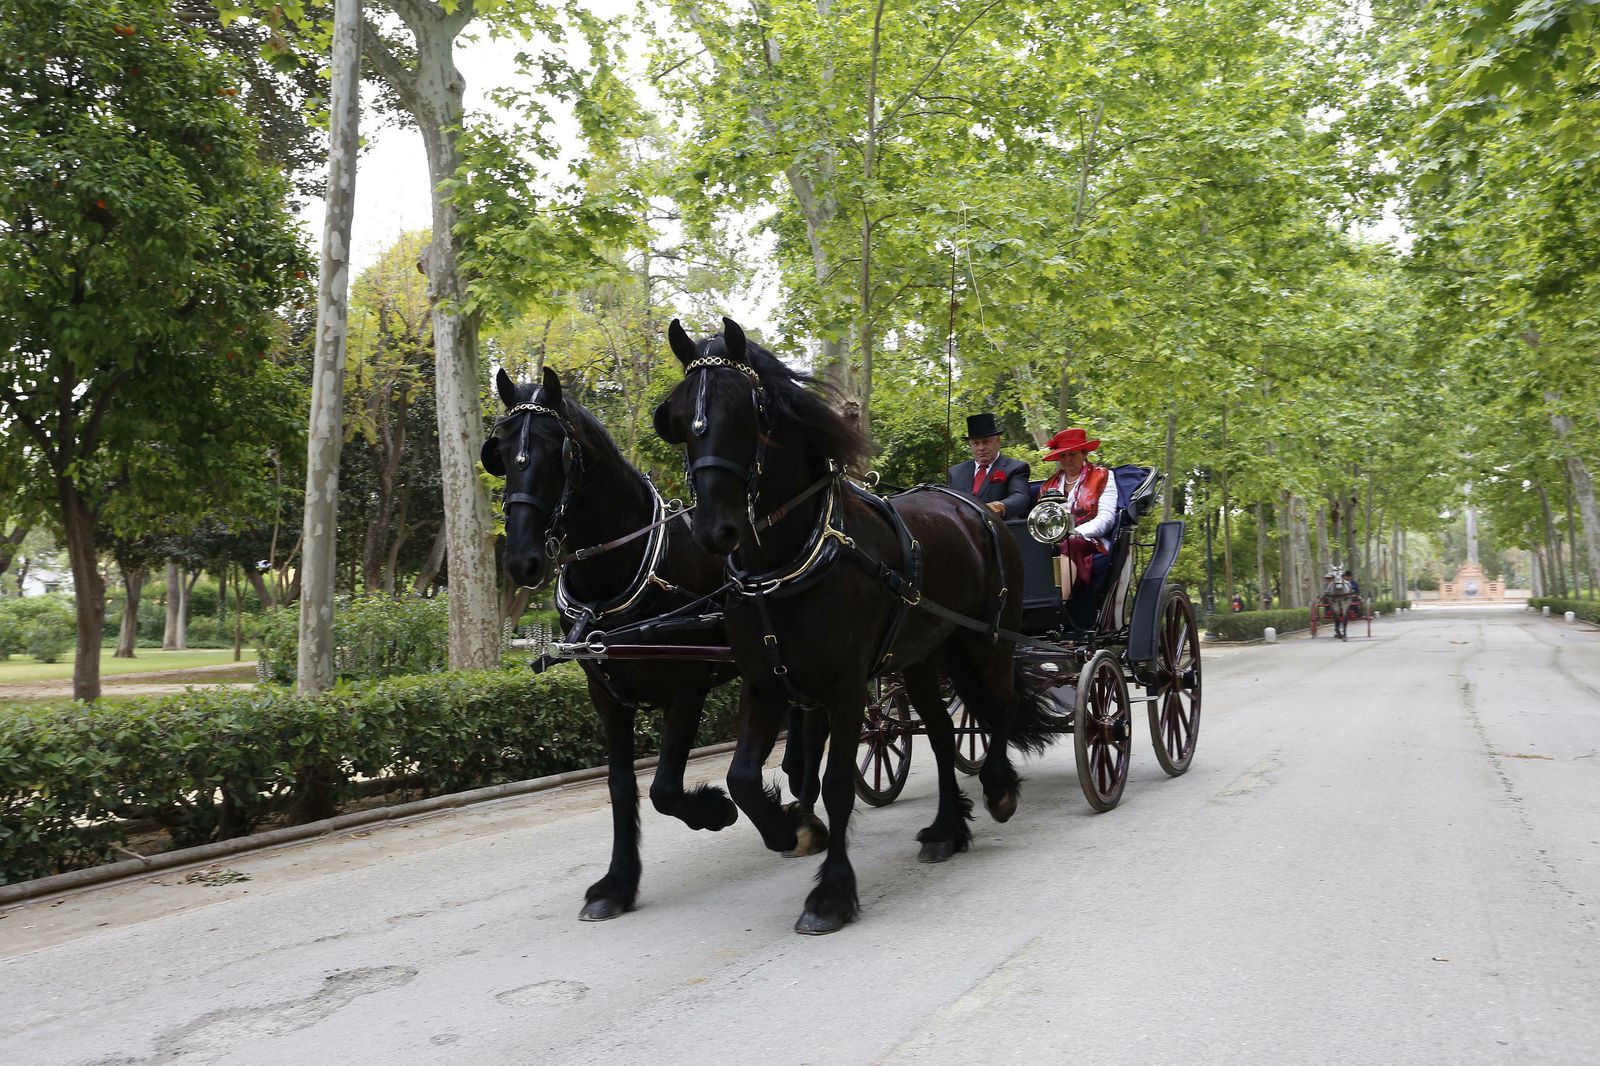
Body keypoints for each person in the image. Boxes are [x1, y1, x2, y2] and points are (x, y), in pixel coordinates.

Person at [1034, 427, 1114, 629]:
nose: (1067, 459)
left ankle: (1059, 612)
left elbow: (1106, 518)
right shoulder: (1048, 486)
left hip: (1089, 541)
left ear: (1084, 454)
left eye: (1072, 454)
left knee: (1068, 544)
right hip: (1052, 542)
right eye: (1063, 455)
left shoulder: (1103, 477)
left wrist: (1076, 532)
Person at [947, 412, 1030, 518]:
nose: (981, 448)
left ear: (998, 441)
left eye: (986, 442)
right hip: (963, 530)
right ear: (970, 445)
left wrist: (997, 507)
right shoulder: (955, 472)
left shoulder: (1015, 468)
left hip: (1000, 529)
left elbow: (1021, 498)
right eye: (976, 444)